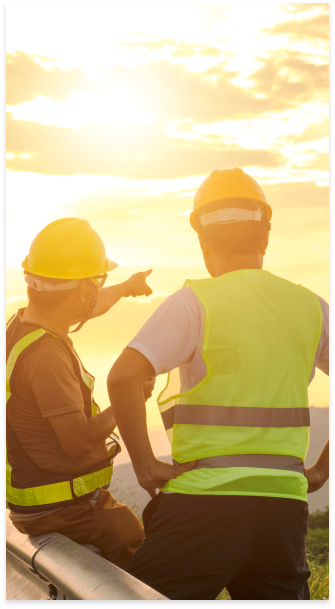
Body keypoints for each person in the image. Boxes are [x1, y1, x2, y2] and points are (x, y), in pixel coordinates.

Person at [108, 168, 329, 599]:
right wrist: (321, 468)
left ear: (203, 243)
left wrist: (146, 466)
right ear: (265, 237)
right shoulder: (312, 307)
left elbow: (123, 376)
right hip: (283, 508)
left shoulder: (194, 303)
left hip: (202, 505)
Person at [6, 217, 155, 569]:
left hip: (36, 505)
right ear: (78, 291)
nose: (95, 292)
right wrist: (128, 398)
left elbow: (90, 302)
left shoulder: (23, 326)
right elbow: (76, 441)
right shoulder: (45, 356)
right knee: (135, 544)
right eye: (93, 284)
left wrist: (125, 288)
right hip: (63, 511)